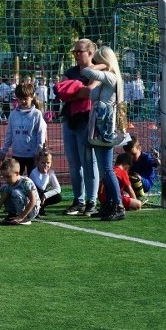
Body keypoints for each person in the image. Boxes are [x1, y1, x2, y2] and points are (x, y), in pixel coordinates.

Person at [57, 38, 99, 216]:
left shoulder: (97, 70)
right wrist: (77, 92)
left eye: (78, 52)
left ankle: (91, 201)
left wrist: (71, 92)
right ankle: (78, 200)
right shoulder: (71, 71)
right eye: (74, 52)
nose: (75, 55)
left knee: (89, 162)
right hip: (69, 119)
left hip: (87, 120)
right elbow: (60, 91)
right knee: (74, 164)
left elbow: (89, 91)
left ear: (90, 53)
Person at [84, 46, 126, 221]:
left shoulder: (110, 77)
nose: (95, 63)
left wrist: (101, 66)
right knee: (104, 169)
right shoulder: (108, 80)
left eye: (98, 60)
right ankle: (109, 203)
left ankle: (118, 204)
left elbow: (87, 71)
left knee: (107, 169)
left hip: (105, 129)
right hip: (100, 127)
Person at [0, 83, 47, 175]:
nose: (23, 101)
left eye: (25, 99)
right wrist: (4, 151)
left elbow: (41, 133)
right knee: (16, 180)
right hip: (17, 154)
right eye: (20, 99)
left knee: (33, 180)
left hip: (32, 155)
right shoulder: (13, 114)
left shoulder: (36, 114)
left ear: (32, 97)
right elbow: (9, 134)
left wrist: (39, 151)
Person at [0, 158, 40, 225]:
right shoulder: (8, 184)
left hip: (31, 210)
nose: (6, 180)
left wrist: (21, 216)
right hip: (22, 207)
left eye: (8, 177)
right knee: (4, 188)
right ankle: (12, 214)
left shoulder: (26, 182)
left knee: (15, 192)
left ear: (17, 173)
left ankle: (24, 218)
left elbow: (33, 201)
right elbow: (1, 201)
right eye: (4, 177)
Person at [29, 150, 61, 218]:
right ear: (37, 162)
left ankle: (41, 207)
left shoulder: (51, 172)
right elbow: (42, 187)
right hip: (32, 195)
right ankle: (34, 208)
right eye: (43, 163)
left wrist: (46, 195)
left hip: (41, 195)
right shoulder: (34, 172)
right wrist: (45, 174)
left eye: (48, 162)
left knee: (58, 197)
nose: (46, 165)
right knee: (38, 191)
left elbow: (58, 189)